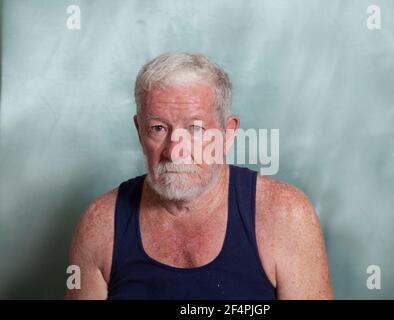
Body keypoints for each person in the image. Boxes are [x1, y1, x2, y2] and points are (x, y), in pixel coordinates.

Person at [65, 53, 334, 299]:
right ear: (139, 130)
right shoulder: (100, 224)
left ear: (227, 134)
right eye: (158, 128)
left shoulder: (285, 215)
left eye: (194, 129)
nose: (174, 151)